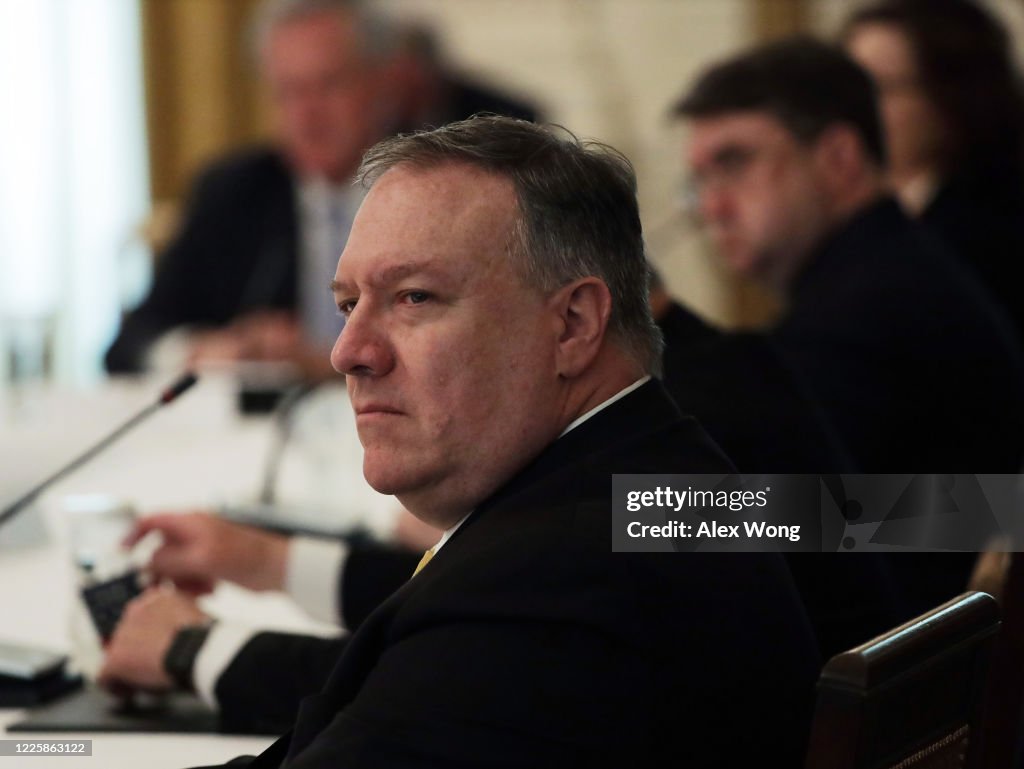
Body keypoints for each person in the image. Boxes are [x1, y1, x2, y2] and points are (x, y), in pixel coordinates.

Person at [100, 115, 820, 768]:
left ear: (573, 324)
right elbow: (408, 686)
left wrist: (196, 647)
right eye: (348, 305)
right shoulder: (637, 472)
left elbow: (909, 518)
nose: (347, 351)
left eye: (414, 297)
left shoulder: (562, 568)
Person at [666, 37, 1024, 616]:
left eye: (733, 163)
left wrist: (625, 513)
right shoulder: (886, 272)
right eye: (700, 181)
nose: (711, 209)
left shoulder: (867, 311)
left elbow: (791, 518)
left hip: (906, 671)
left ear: (838, 157)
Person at [103, 0, 539, 377]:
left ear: (383, 85)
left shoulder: (444, 185)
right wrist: (210, 350)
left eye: (328, 85)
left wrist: (325, 364)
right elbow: (127, 345)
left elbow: (497, 337)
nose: (307, 114)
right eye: (289, 92)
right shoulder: (236, 191)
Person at [842, 0, 1024, 343]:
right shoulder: (860, 215)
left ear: (949, 94)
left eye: (879, 89)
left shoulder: (991, 227)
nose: (855, 112)